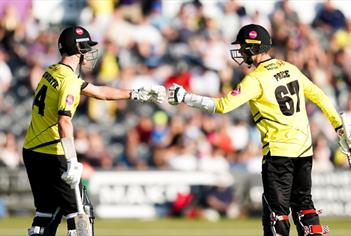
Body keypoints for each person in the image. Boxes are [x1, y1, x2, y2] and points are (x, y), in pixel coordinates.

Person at [168, 24, 346, 236]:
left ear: (253, 48)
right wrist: (340, 128)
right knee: (305, 206)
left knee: (276, 215)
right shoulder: (290, 68)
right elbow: (321, 97)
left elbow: (222, 105)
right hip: (304, 151)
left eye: (243, 48)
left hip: (279, 153)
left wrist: (186, 97)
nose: (241, 53)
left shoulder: (256, 79)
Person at [22, 25, 166, 236]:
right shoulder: (69, 81)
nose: (89, 53)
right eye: (86, 48)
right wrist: (71, 161)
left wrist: (136, 93)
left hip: (32, 151)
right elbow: (64, 121)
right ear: (76, 49)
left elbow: (100, 92)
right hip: (53, 153)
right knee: (80, 213)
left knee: (46, 211)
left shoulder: (53, 70)